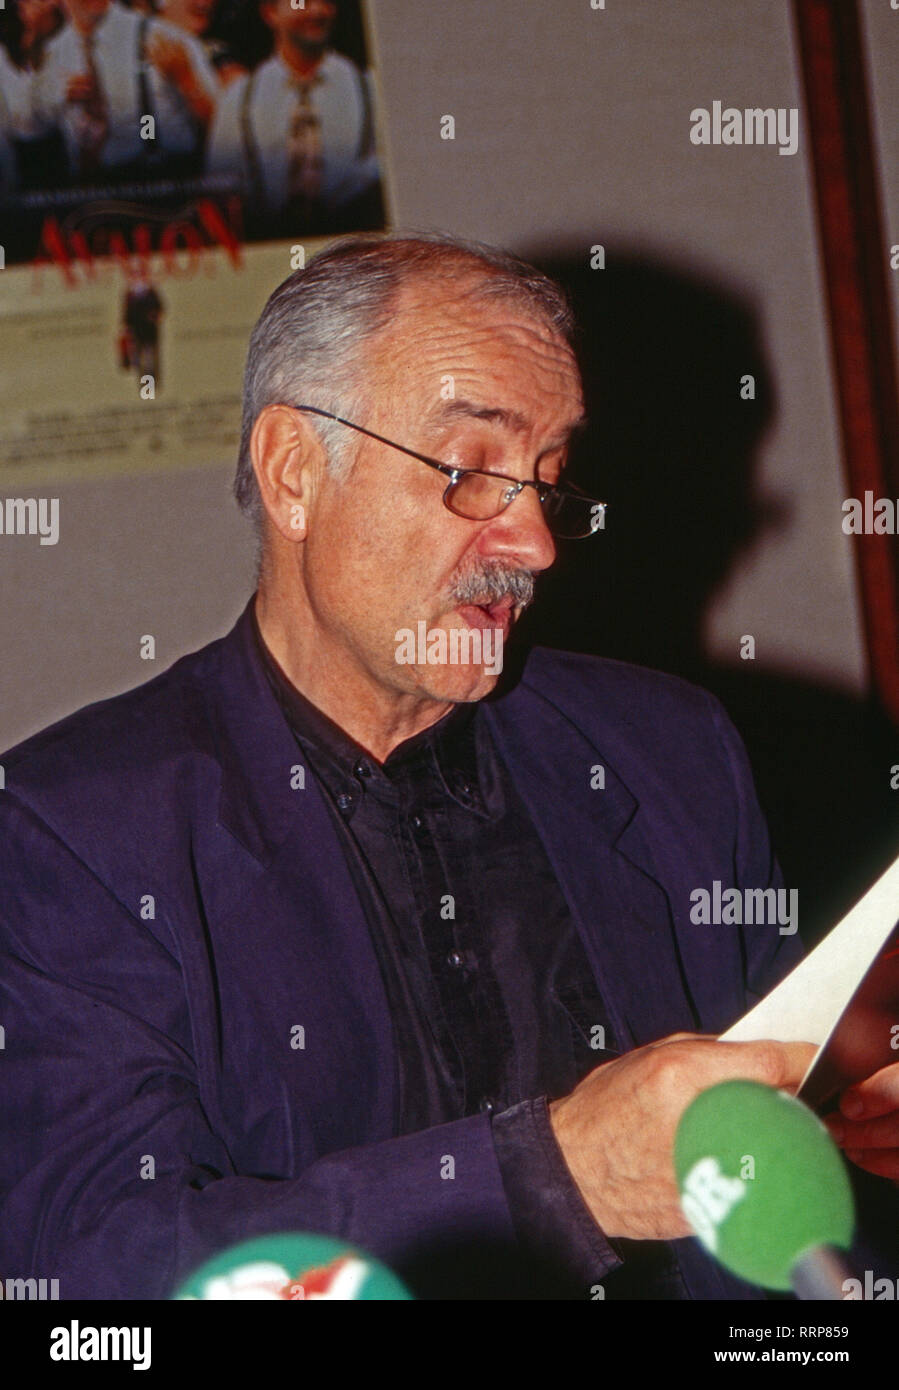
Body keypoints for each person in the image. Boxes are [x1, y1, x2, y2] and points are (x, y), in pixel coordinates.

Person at [1, 233, 896, 1301]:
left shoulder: (667, 752)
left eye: (549, 477)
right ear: (294, 471)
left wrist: (856, 1119)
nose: (534, 543)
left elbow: (781, 1188)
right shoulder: (74, 829)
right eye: (469, 471)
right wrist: (550, 1177)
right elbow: (90, 1273)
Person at [206, 0, 380, 236]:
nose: (318, 11)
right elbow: (220, 191)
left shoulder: (369, 88)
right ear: (270, 13)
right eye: (302, 2)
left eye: (327, 2)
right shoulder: (239, 99)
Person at [26, 0, 218, 183]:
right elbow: (30, 131)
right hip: (94, 196)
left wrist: (187, 82)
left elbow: (220, 125)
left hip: (165, 191)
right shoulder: (51, 56)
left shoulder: (162, 35)